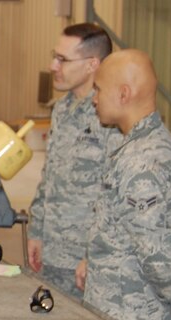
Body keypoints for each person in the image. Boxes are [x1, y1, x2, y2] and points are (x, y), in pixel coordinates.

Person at [76, 49, 171, 320]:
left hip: (132, 318)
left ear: (124, 94)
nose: (94, 99)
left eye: (99, 90)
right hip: (121, 308)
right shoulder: (149, 143)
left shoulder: (142, 160)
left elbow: (154, 247)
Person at [27, 23, 116, 298]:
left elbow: (115, 195)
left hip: (85, 260)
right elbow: (49, 176)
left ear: (92, 64)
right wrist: (36, 231)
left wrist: (94, 255)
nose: (53, 66)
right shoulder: (62, 109)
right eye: (54, 56)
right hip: (53, 252)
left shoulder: (110, 117)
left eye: (62, 59)